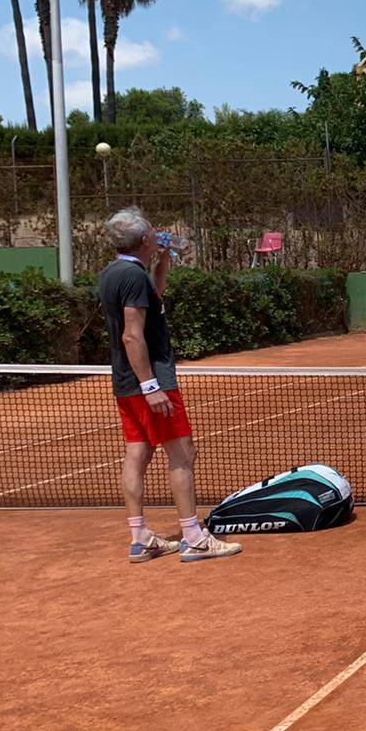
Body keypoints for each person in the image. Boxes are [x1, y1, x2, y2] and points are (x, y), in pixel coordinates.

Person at [97, 207, 241, 563]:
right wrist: (151, 386)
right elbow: (132, 336)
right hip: (150, 381)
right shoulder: (133, 277)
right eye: (152, 231)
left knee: (138, 453)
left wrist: (162, 261)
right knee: (182, 452)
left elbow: (154, 297)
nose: (157, 233)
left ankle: (140, 539)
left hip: (125, 382)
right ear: (144, 238)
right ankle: (194, 538)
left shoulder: (116, 273)